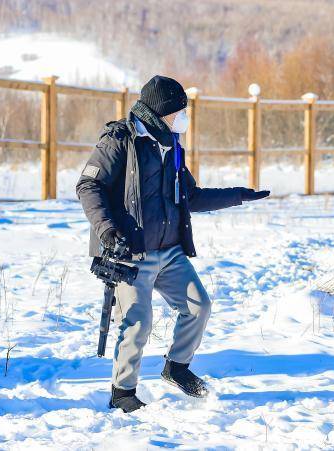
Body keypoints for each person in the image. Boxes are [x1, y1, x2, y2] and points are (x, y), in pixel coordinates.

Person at [76, 75, 269, 412]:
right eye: (179, 111)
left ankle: (176, 367)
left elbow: (190, 197)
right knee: (138, 322)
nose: (183, 117)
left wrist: (238, 195)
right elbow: (88, 186)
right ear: (161, 111)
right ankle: (123, 393)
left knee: (198, 306)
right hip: (132, 253)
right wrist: (107, 230)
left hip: (170, 252)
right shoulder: (121, 139)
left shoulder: (173, 146)